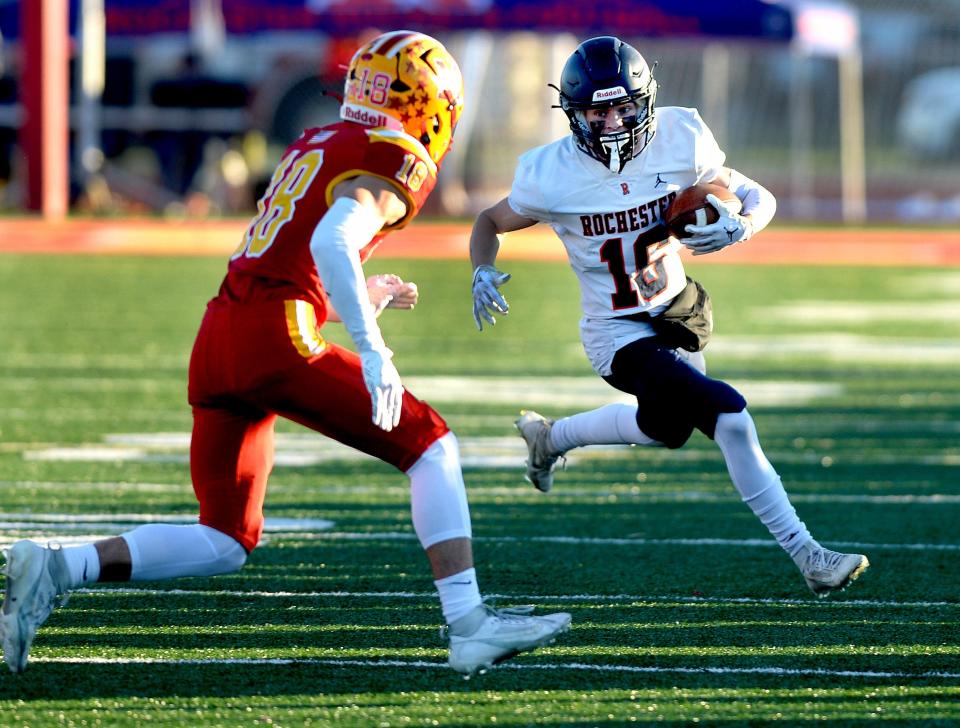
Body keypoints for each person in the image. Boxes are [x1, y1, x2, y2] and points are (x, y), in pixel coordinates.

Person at [1, 30, 570, 677]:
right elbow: (333, 239)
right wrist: (372, 346)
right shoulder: (394, 152)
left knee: (225, 538)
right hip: (273, 335)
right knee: (431, 445)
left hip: (221, 333)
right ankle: (469, 625)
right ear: (429, 106)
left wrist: (344, 299)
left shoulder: (316, 140)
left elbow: (286, 258)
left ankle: (58, 565)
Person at [469, 36, 869, 598]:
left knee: (666, 429)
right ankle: (809, 555)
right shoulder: (550, 173)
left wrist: (742, 224)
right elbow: (489, 220)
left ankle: (550, 439)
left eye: (623, 107)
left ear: (646, 102)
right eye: (597, 110)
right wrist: (482, 269)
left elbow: (757, 197)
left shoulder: (681, 137)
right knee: (729, 415)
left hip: (679, 314)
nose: (612, 122)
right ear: (573, 112)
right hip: (617, 331)